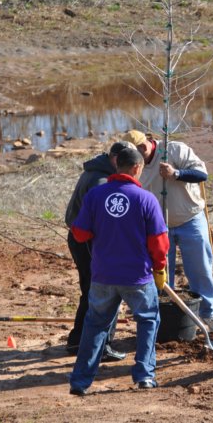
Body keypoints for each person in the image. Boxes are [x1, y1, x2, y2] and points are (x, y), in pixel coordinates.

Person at [69, 148, 169, 395]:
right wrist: (160, 267)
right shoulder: (146, 199)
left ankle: (80, 382)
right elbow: (159, 242)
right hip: (137, 277)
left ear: (117, 166)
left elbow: (80, 233)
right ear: (137, 168)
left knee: (95, 324)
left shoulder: (95, 196)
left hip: (103, 275)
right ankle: (144, 376)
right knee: (147, 321)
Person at [122, 130, 213, 333]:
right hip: (159, 226)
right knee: (160, 274)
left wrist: (176, 174)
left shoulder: (175, 150)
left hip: (190, 219)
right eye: (137, 150)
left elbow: (202, 175)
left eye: (143, 146)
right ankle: (162, 316)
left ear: (150, 141)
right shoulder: (135, 165)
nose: (142, 152)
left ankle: (208, 312)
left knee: (200, 268)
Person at [64, 141, 135, 361]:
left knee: (91, 291)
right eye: (123, 160)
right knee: (106, 293)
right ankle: (102, 346)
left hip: (81, 239)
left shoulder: (97, 171)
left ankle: (77, 340)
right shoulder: (101, 181)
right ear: (115, 158)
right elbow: (103, 222)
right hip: (88, 241)